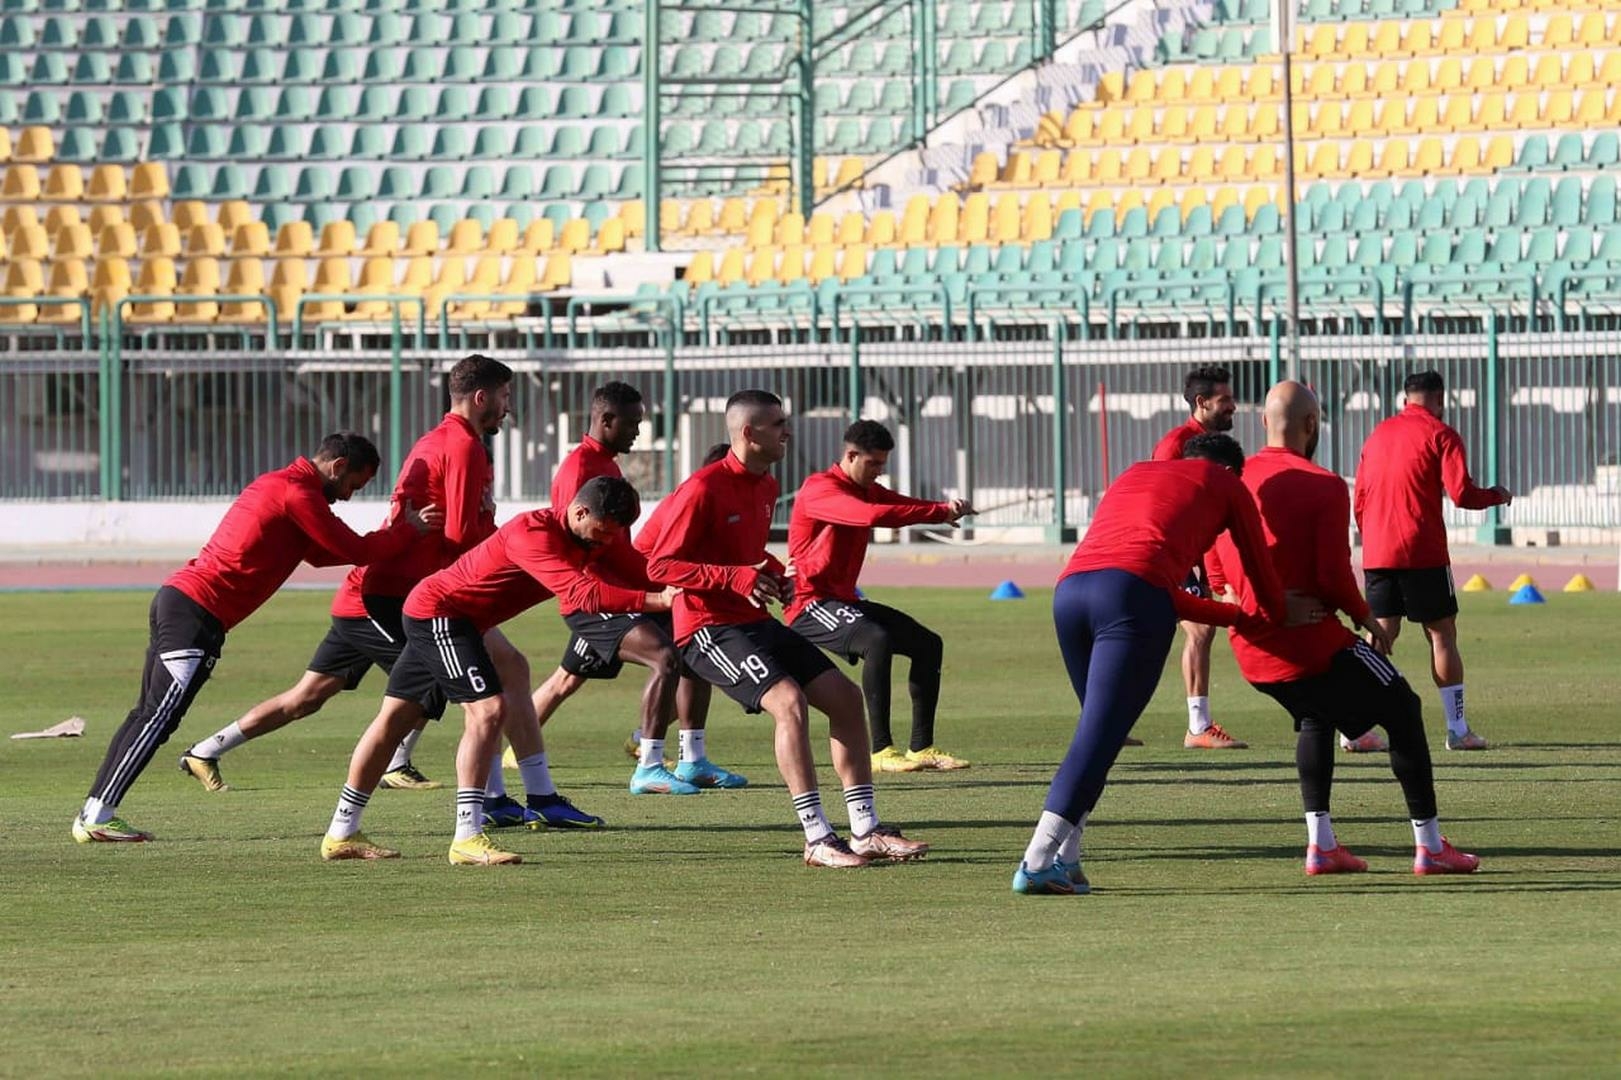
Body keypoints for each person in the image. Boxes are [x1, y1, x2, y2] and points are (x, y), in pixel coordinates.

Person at [72, 433, 438, 843]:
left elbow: (322, 554)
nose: (350, 496)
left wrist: (388, 541)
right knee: (157, 717)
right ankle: (97, 816)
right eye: (354, 484)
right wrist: (407, 532)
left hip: (183, 603)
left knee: (149, 715)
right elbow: (351, 548)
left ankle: (95, 811)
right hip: (196, 612)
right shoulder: (298, 493)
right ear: (337, 467)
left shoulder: (283, 486)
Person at [177, 355, 514, 794]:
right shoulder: (460, 446)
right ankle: (429, 776)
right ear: (483, 397)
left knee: (306, 698)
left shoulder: (437, 443)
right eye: (505, 395)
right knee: (438, 677)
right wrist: (491, 535)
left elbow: (336, 553)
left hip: (369, 599)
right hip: (377, 600)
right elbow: (451, 535)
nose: (509, 405)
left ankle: (205, 750)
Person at [319, 476, 671, 865]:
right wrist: (658, 601)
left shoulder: (595, 537)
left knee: (396, 719)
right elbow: (581, 595)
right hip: (440, 614)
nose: (605, 542)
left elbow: (647, 571)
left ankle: (341, 832)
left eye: (613, 536)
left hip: (459, 620)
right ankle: (468, 836)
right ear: (580, 511)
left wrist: (712, 581)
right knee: (487, 711)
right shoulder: (533, 533)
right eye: (601, 532)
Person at [645, 390, 930, 868]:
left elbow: (745, 554)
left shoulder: (766, 485)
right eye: (778, 424)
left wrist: (774, 573)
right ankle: (817, 837)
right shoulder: (701, 489)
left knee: (845, 699)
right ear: (748, 432)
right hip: (707, 629)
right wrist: (734, 578)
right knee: (789, 703)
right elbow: (660, 565)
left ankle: (865, 830)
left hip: (753, 619)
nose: (788, 432)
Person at [1208, 382, 1481, 876]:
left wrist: (1237, 597)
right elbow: (1332, 576)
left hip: (1251, 651)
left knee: (1316, 714)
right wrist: (1365, 616)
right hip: (1309, 643)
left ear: (1263, 422)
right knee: (1404, 707)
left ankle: (1322, 845)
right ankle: (1430, 846)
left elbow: (1212, 554)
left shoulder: (1234, 479)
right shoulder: (1323, 485)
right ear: (1312, 426)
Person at [1013, 433, 1289, 895]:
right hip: (1131, 602)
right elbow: (1260, 575)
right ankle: (1037, 861)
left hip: (1070, 593)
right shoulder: (1226, 483)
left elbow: (1155, 587)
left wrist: (1231, 616)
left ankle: (1067, 857)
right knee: (1098, 740)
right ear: (1230, 470)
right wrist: (1273, 615)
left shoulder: (1136, 473)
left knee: (1099, 737)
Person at [521, 384, 745, 797]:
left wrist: (655, 579)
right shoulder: (579, 468)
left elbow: (618, 548)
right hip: (596, 597)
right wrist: (645, 587)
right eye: (632, 423)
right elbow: (579, 542)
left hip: (623, 589)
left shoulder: (604, 463)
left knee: (692, 640)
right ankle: (647, 766)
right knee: (661, 659)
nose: (638, 432)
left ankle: (693, 760)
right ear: (606, 420)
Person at [785, 419, 974, 773]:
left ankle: (921, 748)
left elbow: (900, 504)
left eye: (883, 464)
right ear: (850, 456)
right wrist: (938, 511)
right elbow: (871, 516)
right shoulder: (820, 489)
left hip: (843, 601)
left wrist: (944, 509)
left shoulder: (868, 488)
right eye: (872, 463)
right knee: (877, 639)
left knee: (928, 644)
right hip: (809, 602)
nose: (878, 471)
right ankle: (881, 750)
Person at [1354, 370, 1512, 751]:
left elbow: (1359, 498)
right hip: (1422, 550)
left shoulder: (1377, 435)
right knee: (1441, 634)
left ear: (1405, 399)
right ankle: (1457, 730)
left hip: (1378, 550)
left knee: (1380, 634)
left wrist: (1372, 536)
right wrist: (1496, 495)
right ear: (1440, 399)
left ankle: (1355, 728)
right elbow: (1461, 494)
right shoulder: (1441, 434)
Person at [1152, 365, 1247, 750]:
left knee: (1180, 634)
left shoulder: (1214, 446)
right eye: (1225, 400)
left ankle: (1109, 719)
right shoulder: (1176, 445)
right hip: (1174, 553)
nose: (1233, 406)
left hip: (1196, 553)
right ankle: (1197, 727)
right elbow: (1161, 501)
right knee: (1200, 630)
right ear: (1201, 402)